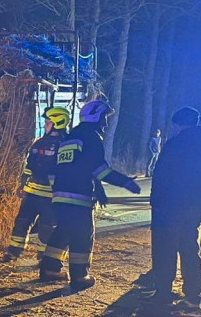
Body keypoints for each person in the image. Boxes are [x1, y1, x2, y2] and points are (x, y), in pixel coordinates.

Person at [38, 99, 141, 292]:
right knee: (82, 236)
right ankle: (80, 276)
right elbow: (99, 169)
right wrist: (126, 182)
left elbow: (60, 168)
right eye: (103, 118)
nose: (105, 122)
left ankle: (49, 269)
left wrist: (59, 191)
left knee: (63, 231)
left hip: (60, 196)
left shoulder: (70, 137)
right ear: (95, 117)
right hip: (78, 196)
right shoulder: (91, 138)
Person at [149, 107, 201, 305]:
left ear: (179, 124)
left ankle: (164, 290)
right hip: (195, 204)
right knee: (189, 245)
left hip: (169, 204)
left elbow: (162, 174)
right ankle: (193, 291)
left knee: (165, 247)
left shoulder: (175, 144)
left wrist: (155, 201)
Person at [3, 107, 70, 261]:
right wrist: (22, 184)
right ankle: (14, 251)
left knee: (47, 227)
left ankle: (44, 255)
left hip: (50, 195)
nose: (45, 125)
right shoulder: (39, 143)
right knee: (21, 222)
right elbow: (29, 166)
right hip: (31, 192)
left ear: (58, 123)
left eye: (48, 123)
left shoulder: (65, 145)